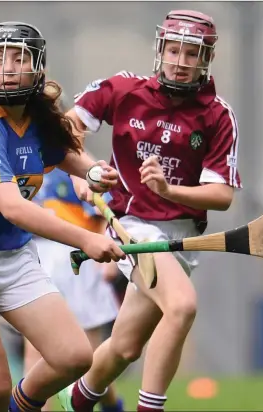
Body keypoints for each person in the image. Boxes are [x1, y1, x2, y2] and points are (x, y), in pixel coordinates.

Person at [0, 21, 126, 412]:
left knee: (75, 357)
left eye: (19, 58)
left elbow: (57, 151)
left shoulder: (35, 113)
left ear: (37, 68)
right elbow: (12, 207)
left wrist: (93, 171)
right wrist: (86, 239)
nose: (8, 68)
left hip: (12, 256)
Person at [57, 10, 242, 412]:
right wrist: (84, 172)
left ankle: (75, 401)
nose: (179, 60)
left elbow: (222, 195)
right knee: (182, 306)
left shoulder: (217, 115)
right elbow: (66, 130)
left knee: (124, 348)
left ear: (205, 59)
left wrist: (169, 188)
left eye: (191, 53)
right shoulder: (123, 89)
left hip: (182, 238)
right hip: (133, 227)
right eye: (173, 49)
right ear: (159, 50)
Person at [23, 167, 125, 412]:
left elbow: (103, 215)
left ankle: (112, 406)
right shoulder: (26, 164)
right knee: (36, 349)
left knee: (89, 357)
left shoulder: (78, 167)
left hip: (78, 261)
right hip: (36, 260)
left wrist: (109, 261)